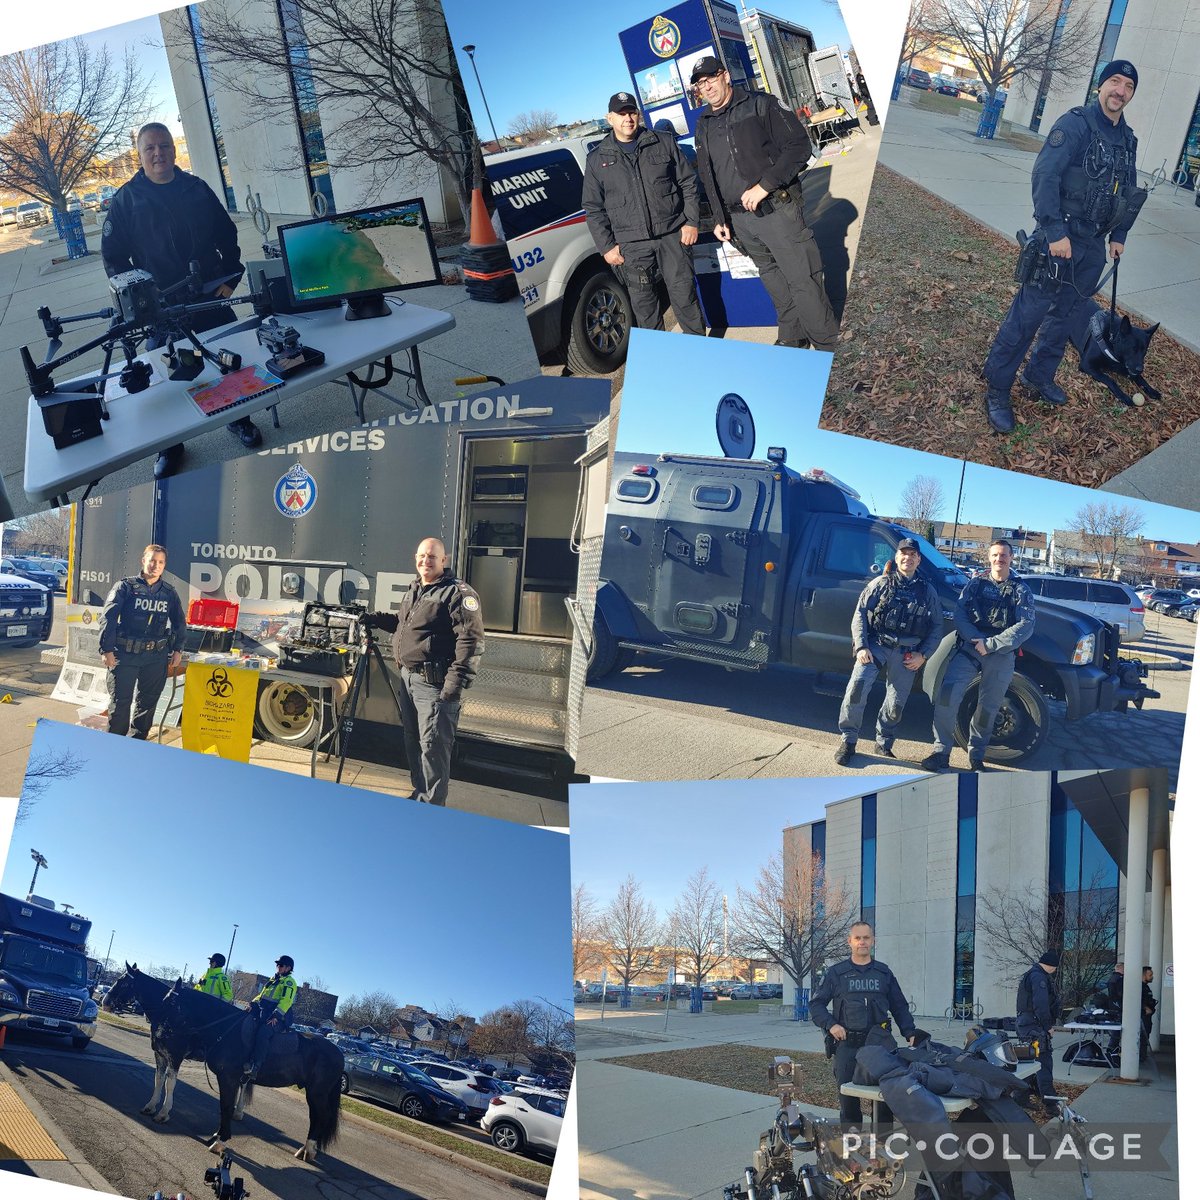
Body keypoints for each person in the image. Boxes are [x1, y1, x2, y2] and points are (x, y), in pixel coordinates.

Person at [981, 62, 1143, 432]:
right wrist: (1054, 233)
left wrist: (1119, 236)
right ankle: (998, 387)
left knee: (1066, 318)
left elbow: (1129, 193)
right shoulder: (1074, 124)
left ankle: (1038, 376)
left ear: (1132, 94)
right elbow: (1045, 175)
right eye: (1114, 81)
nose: (1120, 90)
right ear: (1101, 85)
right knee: (1028, 316)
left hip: (1092, 247)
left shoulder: (1128, 140)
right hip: (1057, 239)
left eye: (1128, 85)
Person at [101, 121, 261, 478]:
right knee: (162, 377)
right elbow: (113, 258)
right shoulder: (125, 201)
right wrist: (139, 300)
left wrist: (231, 278)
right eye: (150, 148)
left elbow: (227, 234)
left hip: (207, 297)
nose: (159, 154)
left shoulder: (197, 189)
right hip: (160, 307)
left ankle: (239, 419)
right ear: (139, 155)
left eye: (164, 146)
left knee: (228, 364)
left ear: (174, 150)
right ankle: (170, 447)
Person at [691, 57, 839, 351]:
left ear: (725, 76)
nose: (706, 87)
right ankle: (792, 335)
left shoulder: (761, 105)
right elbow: (708, 174)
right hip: (740, 223)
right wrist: (719, 219)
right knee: (773, 280)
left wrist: (764, 185)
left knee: (802, 280)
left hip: (776, 211)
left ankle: (827, 345)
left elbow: (799, 147)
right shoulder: (704, 124)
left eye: (710, 79)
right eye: (700, 83)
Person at [366, 538, 485, 805]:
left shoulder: (458, 594)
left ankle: (432, 806)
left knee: (433, 748)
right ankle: (419, 794)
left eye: (432, 556)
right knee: (414, 741)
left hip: (434, 685)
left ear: (444, 560)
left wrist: (453, 687)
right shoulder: (417, 588)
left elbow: (471, 641)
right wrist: (376, 619)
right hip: (408, 678)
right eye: (421, 556)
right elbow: (404, 626)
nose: (425, 561)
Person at [582, 92, 706, 337]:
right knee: (645, 308)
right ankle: (659, 364)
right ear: (610, 119)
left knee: (685, 299)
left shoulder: (662, 142)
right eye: (621, 114)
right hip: (632, 246)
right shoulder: (597, 159)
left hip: (673, 237)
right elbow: (593, 207)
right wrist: (606, 246)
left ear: (638, 115)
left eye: (631, 112)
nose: (627, 118)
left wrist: (692, 221)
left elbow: (688, 183)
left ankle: (698, 357)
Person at [923, 539, 1035, 772]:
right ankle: (940, 752)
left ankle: (976, 756)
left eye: (1004, 555)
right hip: (970, 648)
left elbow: (1025, 625)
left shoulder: (1021, 590)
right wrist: (977, 640)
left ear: (1011, 558)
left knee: (989, 707)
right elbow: (960, 614)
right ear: (989, 557)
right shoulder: (975, 585)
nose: (999, 559)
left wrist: (991, 644)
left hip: (1000, 654)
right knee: (947, 696)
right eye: (995, 555)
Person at [835, 538, 943, 766]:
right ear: (896, 557)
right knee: (856, 689)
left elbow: (937, 626)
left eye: (913, 554)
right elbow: (860, 613)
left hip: (908, 653)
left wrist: (923, 655)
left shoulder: (927, 591)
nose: (908, 558)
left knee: (895, 704)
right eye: (904, 553)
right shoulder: (881, 583)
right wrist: (862, 645)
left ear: (919, 560)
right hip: (876, 647)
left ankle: (883, 744)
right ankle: (848, 741)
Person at [809, 920, 918, 1125]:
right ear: (849, 941)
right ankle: (852, 1149)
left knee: (885, 1099)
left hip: (880, 1045)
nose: (862, 942)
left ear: (873, 941)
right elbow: (816, 1005)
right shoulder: (836, 973)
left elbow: (899, 1006)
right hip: (847, 1045)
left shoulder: (883, 973)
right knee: (848, 1102)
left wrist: (910, 1031)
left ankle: (883, 1147)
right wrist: (831, 1025)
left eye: (866, 938)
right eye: (857, 938)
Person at [99, 544, 186, 739]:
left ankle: (137, 745)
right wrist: (106, 649)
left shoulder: (169, 592)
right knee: (120, 703)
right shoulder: (125, 587)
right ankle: (114, 747)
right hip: (126, 654)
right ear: (143, 561)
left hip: (156, 657)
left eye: (161, 562)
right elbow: (108, 618)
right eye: (152, 560)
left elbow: (180, 622)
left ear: (164, 565)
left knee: (147, 705)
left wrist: (178, 650)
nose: (156, 565)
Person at [1015, 950, 1061, 1118]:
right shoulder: (1039, 977)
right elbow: (1040, 1004)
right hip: (1035, 1028)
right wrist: (1048, 1026)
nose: (1055, 971)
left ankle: (1020, 1098)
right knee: (1044, 1064)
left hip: (1027, 1026)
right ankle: (1051, 1106)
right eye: (1055, 967)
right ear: (1051, 966)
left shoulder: (1032, 974)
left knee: (1028, 1063)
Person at [244, 956, 297, 1080]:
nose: (278, 967)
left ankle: (256, 1066)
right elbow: (261, 996)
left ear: (288, 968)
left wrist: (276, 1015)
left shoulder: (289, 982)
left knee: (263, 1033)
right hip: (265, 1013)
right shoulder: (273, 980)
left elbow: (286, 1001)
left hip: (279, 1018)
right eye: (277, 964)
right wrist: (252, 1003)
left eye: (281, 965)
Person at [1140, 966, 1156, 1061]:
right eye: (1150, 975)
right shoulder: (1140, 987)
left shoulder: (1146, 986)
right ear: (1144, 975)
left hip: (1147, 1016)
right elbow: (1138, 1000)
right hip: (1143, 1016)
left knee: (1146, 1035)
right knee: (1143, 1035)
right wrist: (1145, 1008)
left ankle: (1143, 1055)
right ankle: (1141, 1056)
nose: (1152, 977)